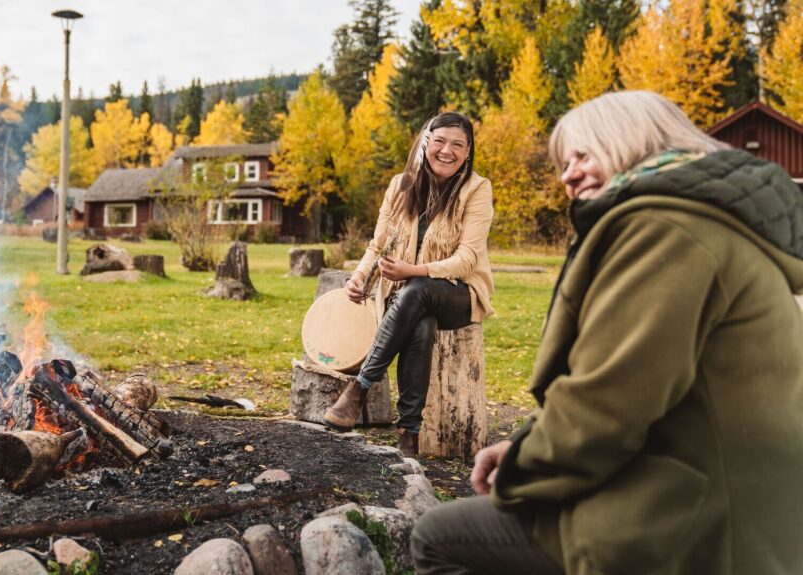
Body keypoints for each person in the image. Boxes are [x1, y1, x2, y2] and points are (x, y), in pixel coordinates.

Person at [410, 90, 803, 574]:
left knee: (439, 537)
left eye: (583, 154)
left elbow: (612, 399)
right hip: (728, 493)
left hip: (698, 519)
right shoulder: (700, 222)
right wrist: (527, 441)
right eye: (562, 163)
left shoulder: (665, 230)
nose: (567, 174)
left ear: (633, 142)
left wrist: (522, 466)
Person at [322, 112, 494, 458]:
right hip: (409, 298)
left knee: (420, 290)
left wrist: (413, 270)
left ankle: (359, 387)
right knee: (421, 320)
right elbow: (377, 244)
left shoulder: (477, 189)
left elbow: (467, 259)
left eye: (458, 145)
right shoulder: (401, 186)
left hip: (458, 294)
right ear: (426, 142)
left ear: (468, 150)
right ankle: (408, 432)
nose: (448, 151)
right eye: (441, 141)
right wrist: (358, 277)